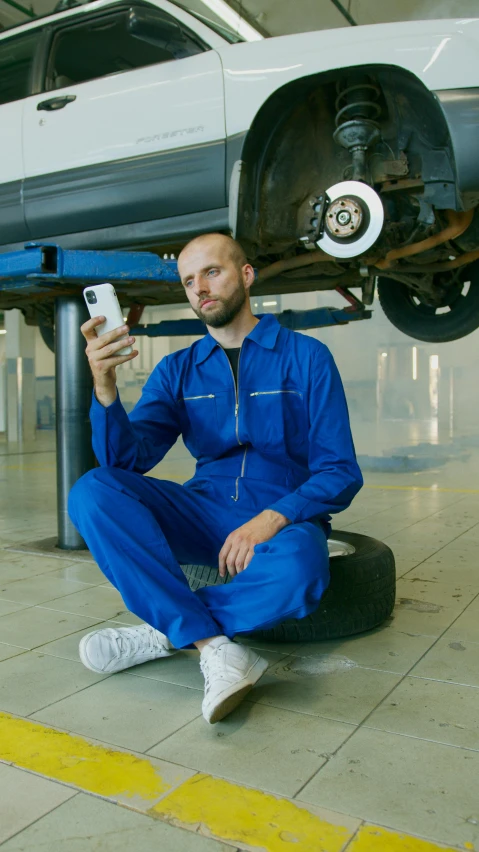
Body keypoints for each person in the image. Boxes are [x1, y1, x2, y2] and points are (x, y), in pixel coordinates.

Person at [69, 233, 363, 724]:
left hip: (281, 518)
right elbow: (124, 463)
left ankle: (165, 630)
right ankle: (213, 644)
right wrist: (104, 388)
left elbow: (340, 471)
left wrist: (273, 518)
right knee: (93, 492)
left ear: (246, 276)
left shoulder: (308, 358)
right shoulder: (177, 370)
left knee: (302, 569)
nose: (199, 288)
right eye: (188, 280)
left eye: (212, 272)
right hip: (202, 513)